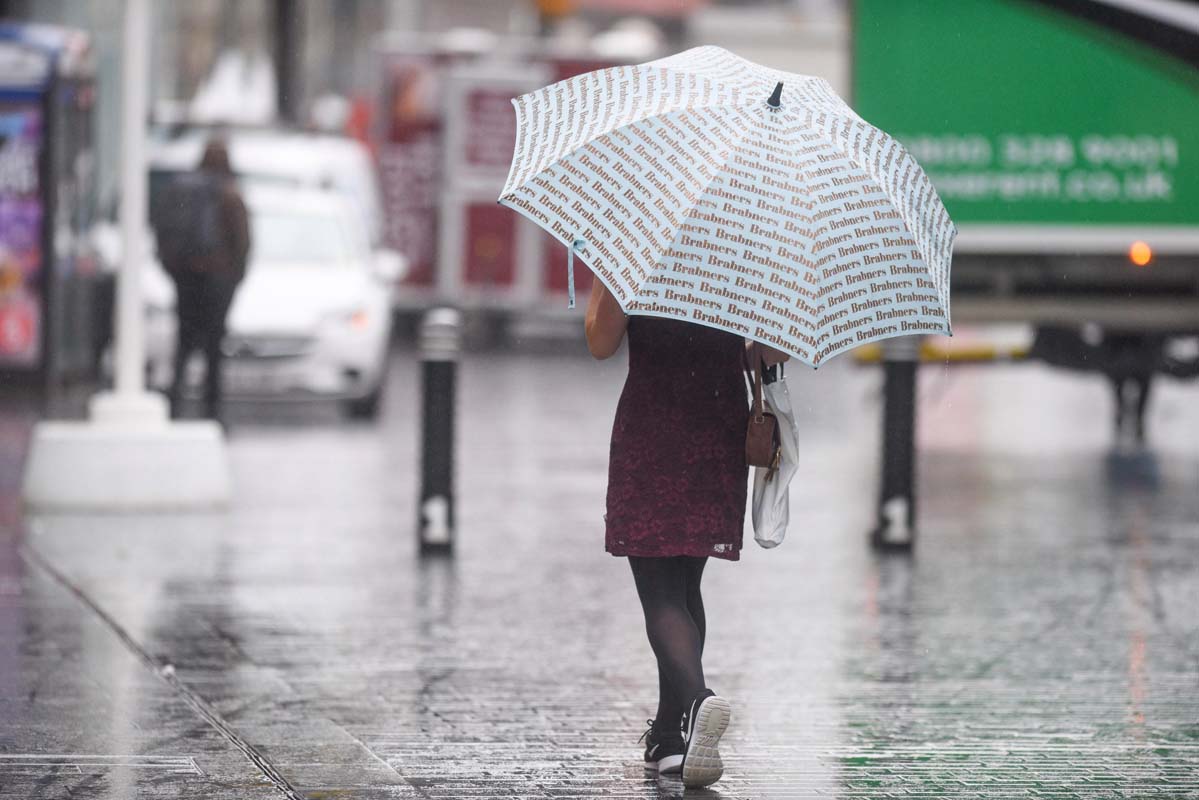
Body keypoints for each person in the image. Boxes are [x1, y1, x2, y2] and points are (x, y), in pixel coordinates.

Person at [585, 282, 788, 788]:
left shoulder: (634, 251)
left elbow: (600, 341)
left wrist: (605, 288)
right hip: (717, 421)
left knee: (659, 590)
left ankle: (697, 703)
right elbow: (772, 351)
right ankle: (669, 738)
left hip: (652, 422)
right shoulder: (741, 248)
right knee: (684, 583)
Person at [151, 137, 250, 421]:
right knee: (214, 346)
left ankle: (176, 403)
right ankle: (212, 408)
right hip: (217, 279)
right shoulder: (229, 194)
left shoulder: (182, 190)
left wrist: (175, 270)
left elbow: (163, 232)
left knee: (183, 343)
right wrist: (232, 278)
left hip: (185, 277)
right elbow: (242, 243)